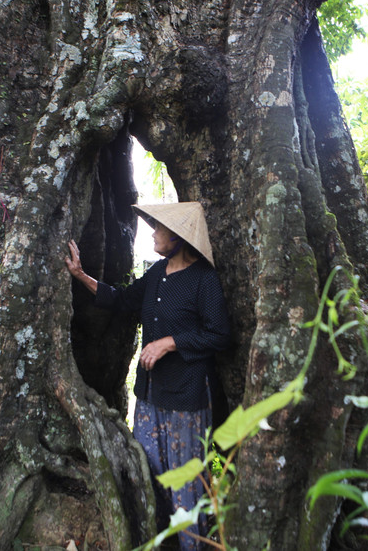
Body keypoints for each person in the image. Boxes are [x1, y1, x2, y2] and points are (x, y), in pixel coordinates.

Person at [65, 201, 230, 550]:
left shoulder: (204, 280)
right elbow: (123, 300)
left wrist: (170, 342)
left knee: (187, 487)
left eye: (160, 227)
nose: (153, 232)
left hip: (187, 399)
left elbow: (219, 334)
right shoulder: (157, 273)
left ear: (180, 238)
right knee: (150, 478)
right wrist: (80, 275)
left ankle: (193, 545)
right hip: (149, 397)